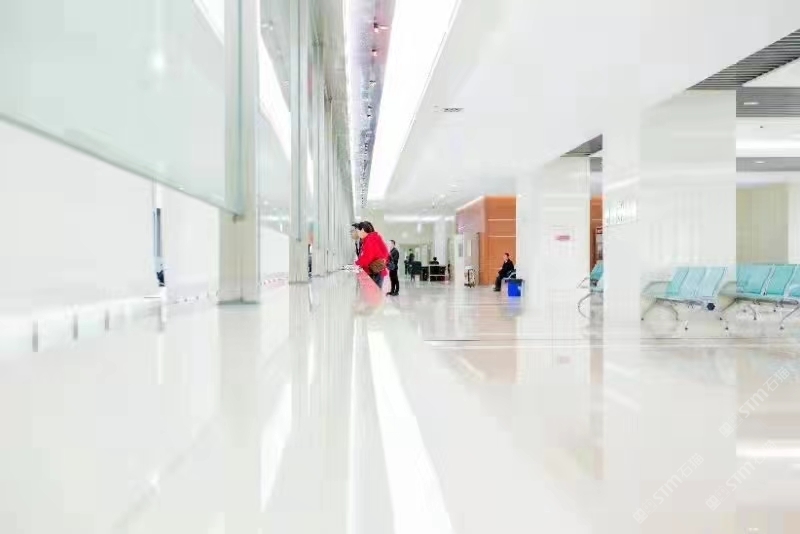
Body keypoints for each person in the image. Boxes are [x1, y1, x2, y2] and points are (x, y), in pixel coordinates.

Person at [355, 221, 389, 288]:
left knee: (373, 293)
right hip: (378, 272)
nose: (357, 233)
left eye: (358, 231)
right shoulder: (374, 237)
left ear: (362, 230)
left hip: (375, 273)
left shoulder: (370, 239)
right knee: (376, 292)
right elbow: (385, 252)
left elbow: (367, 258)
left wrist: (356, 263)